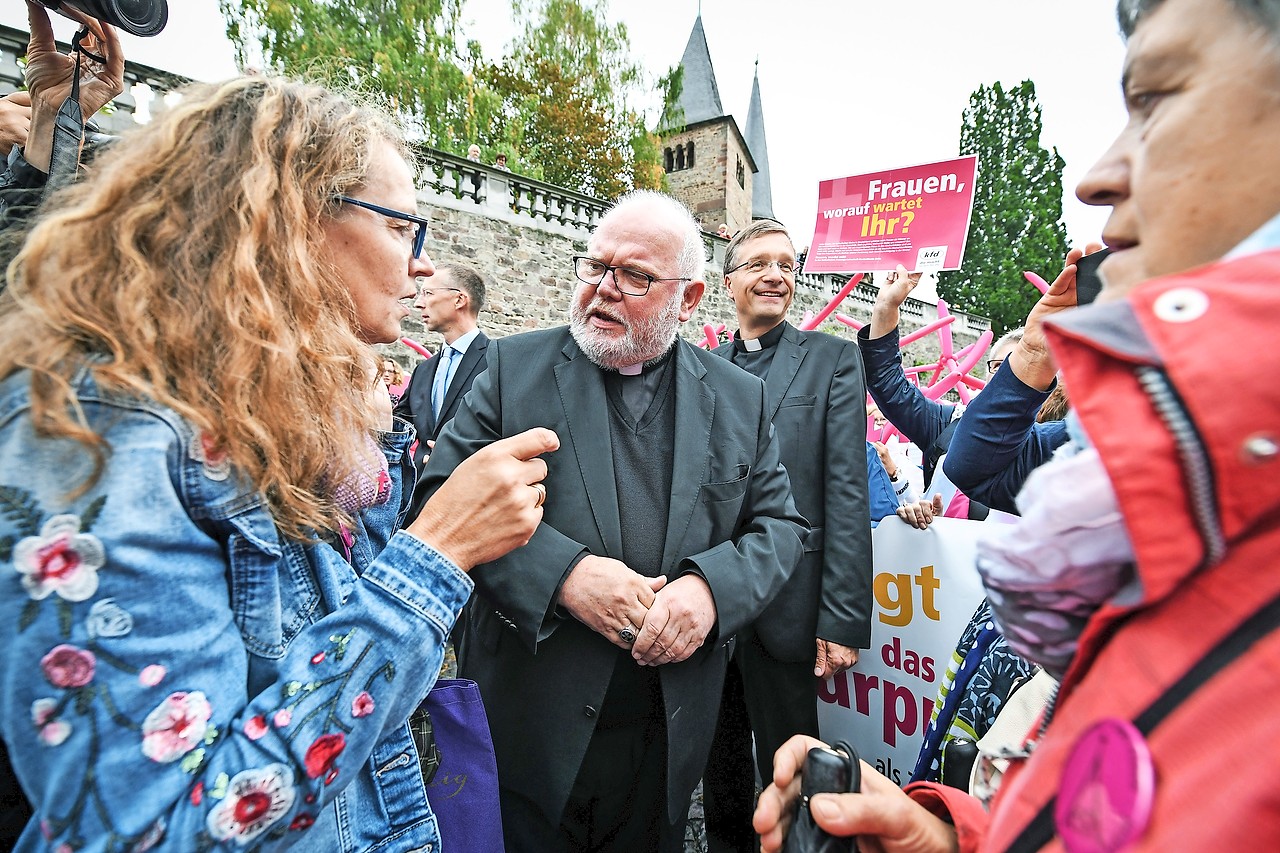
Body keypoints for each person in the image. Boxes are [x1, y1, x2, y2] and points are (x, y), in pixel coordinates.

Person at [754, 0, 1280, 848]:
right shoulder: (1105, 462)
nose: (1099, 175)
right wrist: (954, 837)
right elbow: (965, 449)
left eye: (1157, 96)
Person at [0, 63, 559, 852]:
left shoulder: (264, 411)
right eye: (403, 228)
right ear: (287, 221)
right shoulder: (105, 434)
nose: (424, 264)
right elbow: (164, 830)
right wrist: (436, 554)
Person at [412, 190, 807, 852]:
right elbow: (435, 502)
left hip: (666, 730)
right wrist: (564, 576)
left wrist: (709, 590)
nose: (602, 289)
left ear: (688, 298)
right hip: (531, 721)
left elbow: (780, 528)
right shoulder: (514, 371)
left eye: (634, 277)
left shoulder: (740, 399)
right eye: (595, 266)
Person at [701, 219, 872, 852]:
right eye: (759, 263)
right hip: (714, 602)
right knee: (717, 768)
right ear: (729, 282)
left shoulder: (833, 360)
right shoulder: (704, 369)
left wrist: (845, 617)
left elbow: (847, 491)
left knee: (793, 771)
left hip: (792, 605)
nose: (776, 274)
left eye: (787, 264)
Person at [394, 263, 490, 468]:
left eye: (427, 293)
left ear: (459, 299)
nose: (419, 304)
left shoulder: (498, 361)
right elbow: (399, 425)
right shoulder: (423, 371)